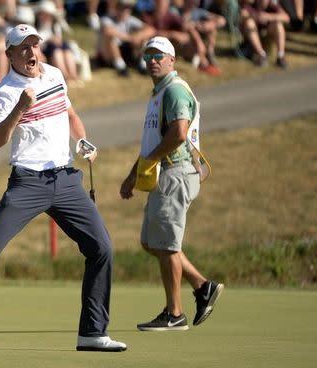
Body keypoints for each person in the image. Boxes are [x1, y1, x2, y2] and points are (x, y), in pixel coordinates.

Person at [0, 24, 127, 353]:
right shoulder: (4, 93)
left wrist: (82, 139)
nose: (32, 52)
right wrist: (20, 106)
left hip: (65, 180)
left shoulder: (55, 75)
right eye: (23, 48)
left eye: (35, 45)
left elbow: (70, 114)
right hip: (27, 182)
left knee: (101, 248)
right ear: (10, 55)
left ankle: (92, 332)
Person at [119, 36, 223, 331]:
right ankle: (203, 286)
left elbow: (178, 134)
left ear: (171, 59)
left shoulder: (174, 91)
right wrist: (133, 174)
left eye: (158, 55)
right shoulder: (159, 92)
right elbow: (154, 139)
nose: (151, 60)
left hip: (175, 173)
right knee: (152, 242)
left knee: (165, 245)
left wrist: (147, 165)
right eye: (147, 55)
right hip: (163, 173)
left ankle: (174, 314)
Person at [239, 0, 290, 68]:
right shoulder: (251, 4)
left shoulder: (273, 4)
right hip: (252, 32)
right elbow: (242, 14)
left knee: (278, 25)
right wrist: (255, 16)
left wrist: (269, 16)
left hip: (268, 31)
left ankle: (280, 56)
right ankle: (262, 55)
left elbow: (286, 18)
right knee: (249, 23)